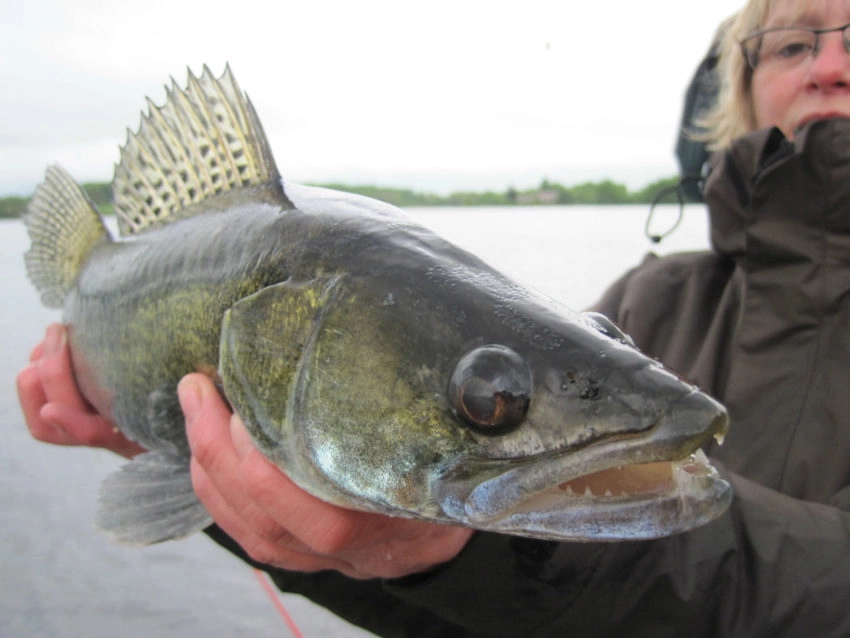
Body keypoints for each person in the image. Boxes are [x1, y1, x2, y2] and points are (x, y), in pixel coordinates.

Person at [17, 0, 850, 634]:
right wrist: (230, 487)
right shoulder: (651, 299)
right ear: (739, 88)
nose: (827, 65)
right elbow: (483, 609)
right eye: (791, 42)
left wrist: (467, 544)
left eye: (487, 396)